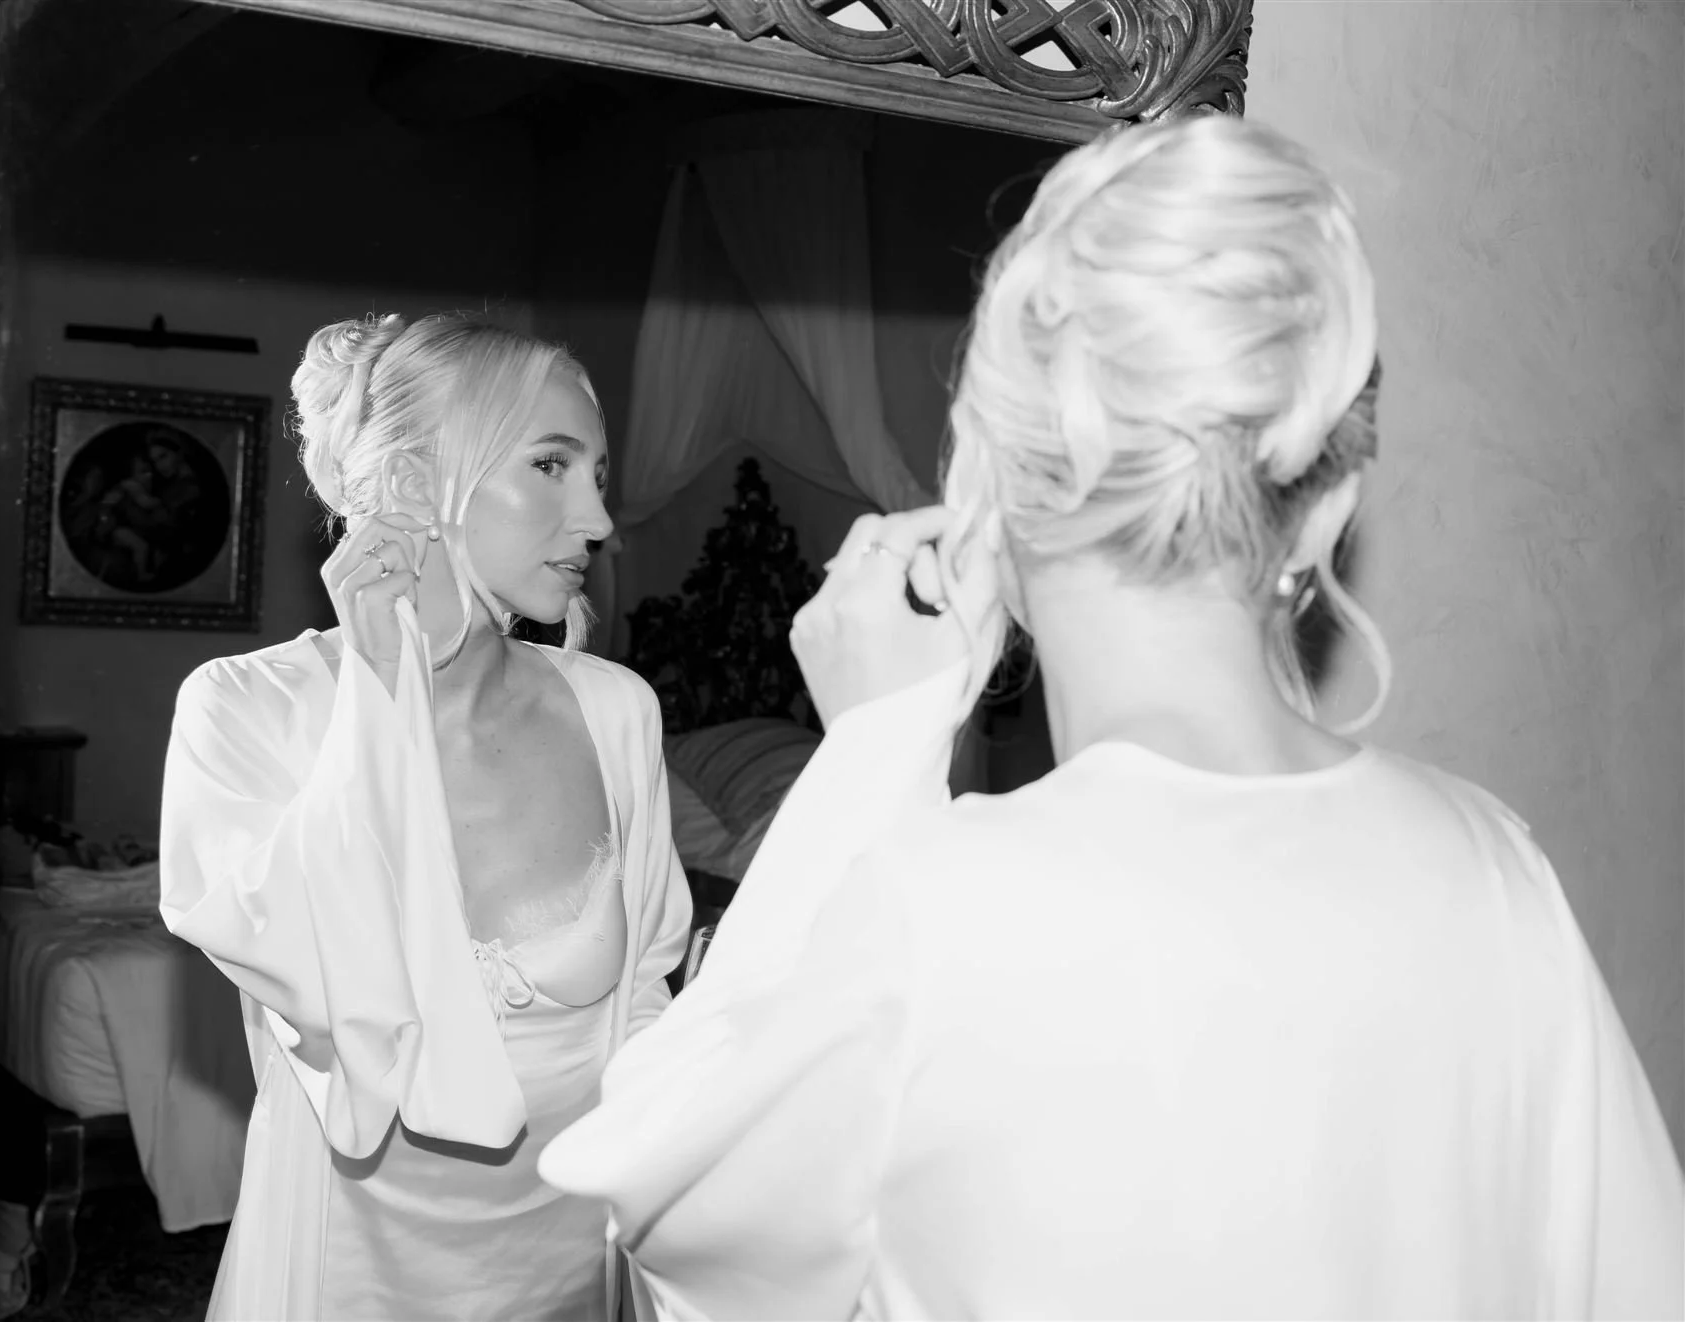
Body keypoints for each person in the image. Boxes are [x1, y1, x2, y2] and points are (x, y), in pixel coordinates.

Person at [539, 115, 1685, 1319]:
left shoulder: (936, 912)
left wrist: (865, 760)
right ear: (1323, 504)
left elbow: (654, 1205)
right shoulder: (1493, 867)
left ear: (987, 498)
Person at [160, 312, 692, 1320]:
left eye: (598, 474)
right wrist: (375, 680)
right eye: (550, 464)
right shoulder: (244, 709)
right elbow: (316, 979)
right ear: (410, 485)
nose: (596, 519)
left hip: (570, 1256)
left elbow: (643, 1003)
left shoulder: (616, 708)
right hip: (347, 1266)